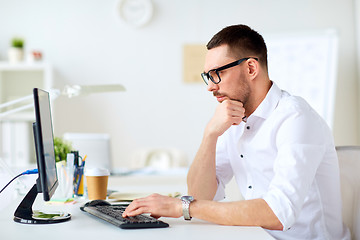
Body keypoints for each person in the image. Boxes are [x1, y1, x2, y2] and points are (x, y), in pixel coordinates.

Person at [123, 24, 350, 240]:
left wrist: (180, 207)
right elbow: (201, 196)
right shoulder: (233, 117)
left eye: (216, 74)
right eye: (208, 76)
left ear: (251, 68)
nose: (210, 86)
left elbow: (278, 213)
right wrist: (210, 134)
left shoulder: (296, 119)